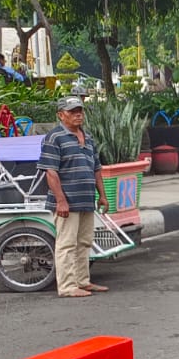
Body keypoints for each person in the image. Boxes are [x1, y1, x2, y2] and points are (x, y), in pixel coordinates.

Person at [38, 96, 110, 298]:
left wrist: (102, 195)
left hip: (86, 199)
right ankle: (68, 287)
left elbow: (96, 169)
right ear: (61, 115)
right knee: (67, 244)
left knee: (84, 242)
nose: (78, 114)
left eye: (80, 111)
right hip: (66, 202)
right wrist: (61, 200)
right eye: (72, 111)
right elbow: (50, 172)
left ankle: (82, 281)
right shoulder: (54, 138)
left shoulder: (87, 137)